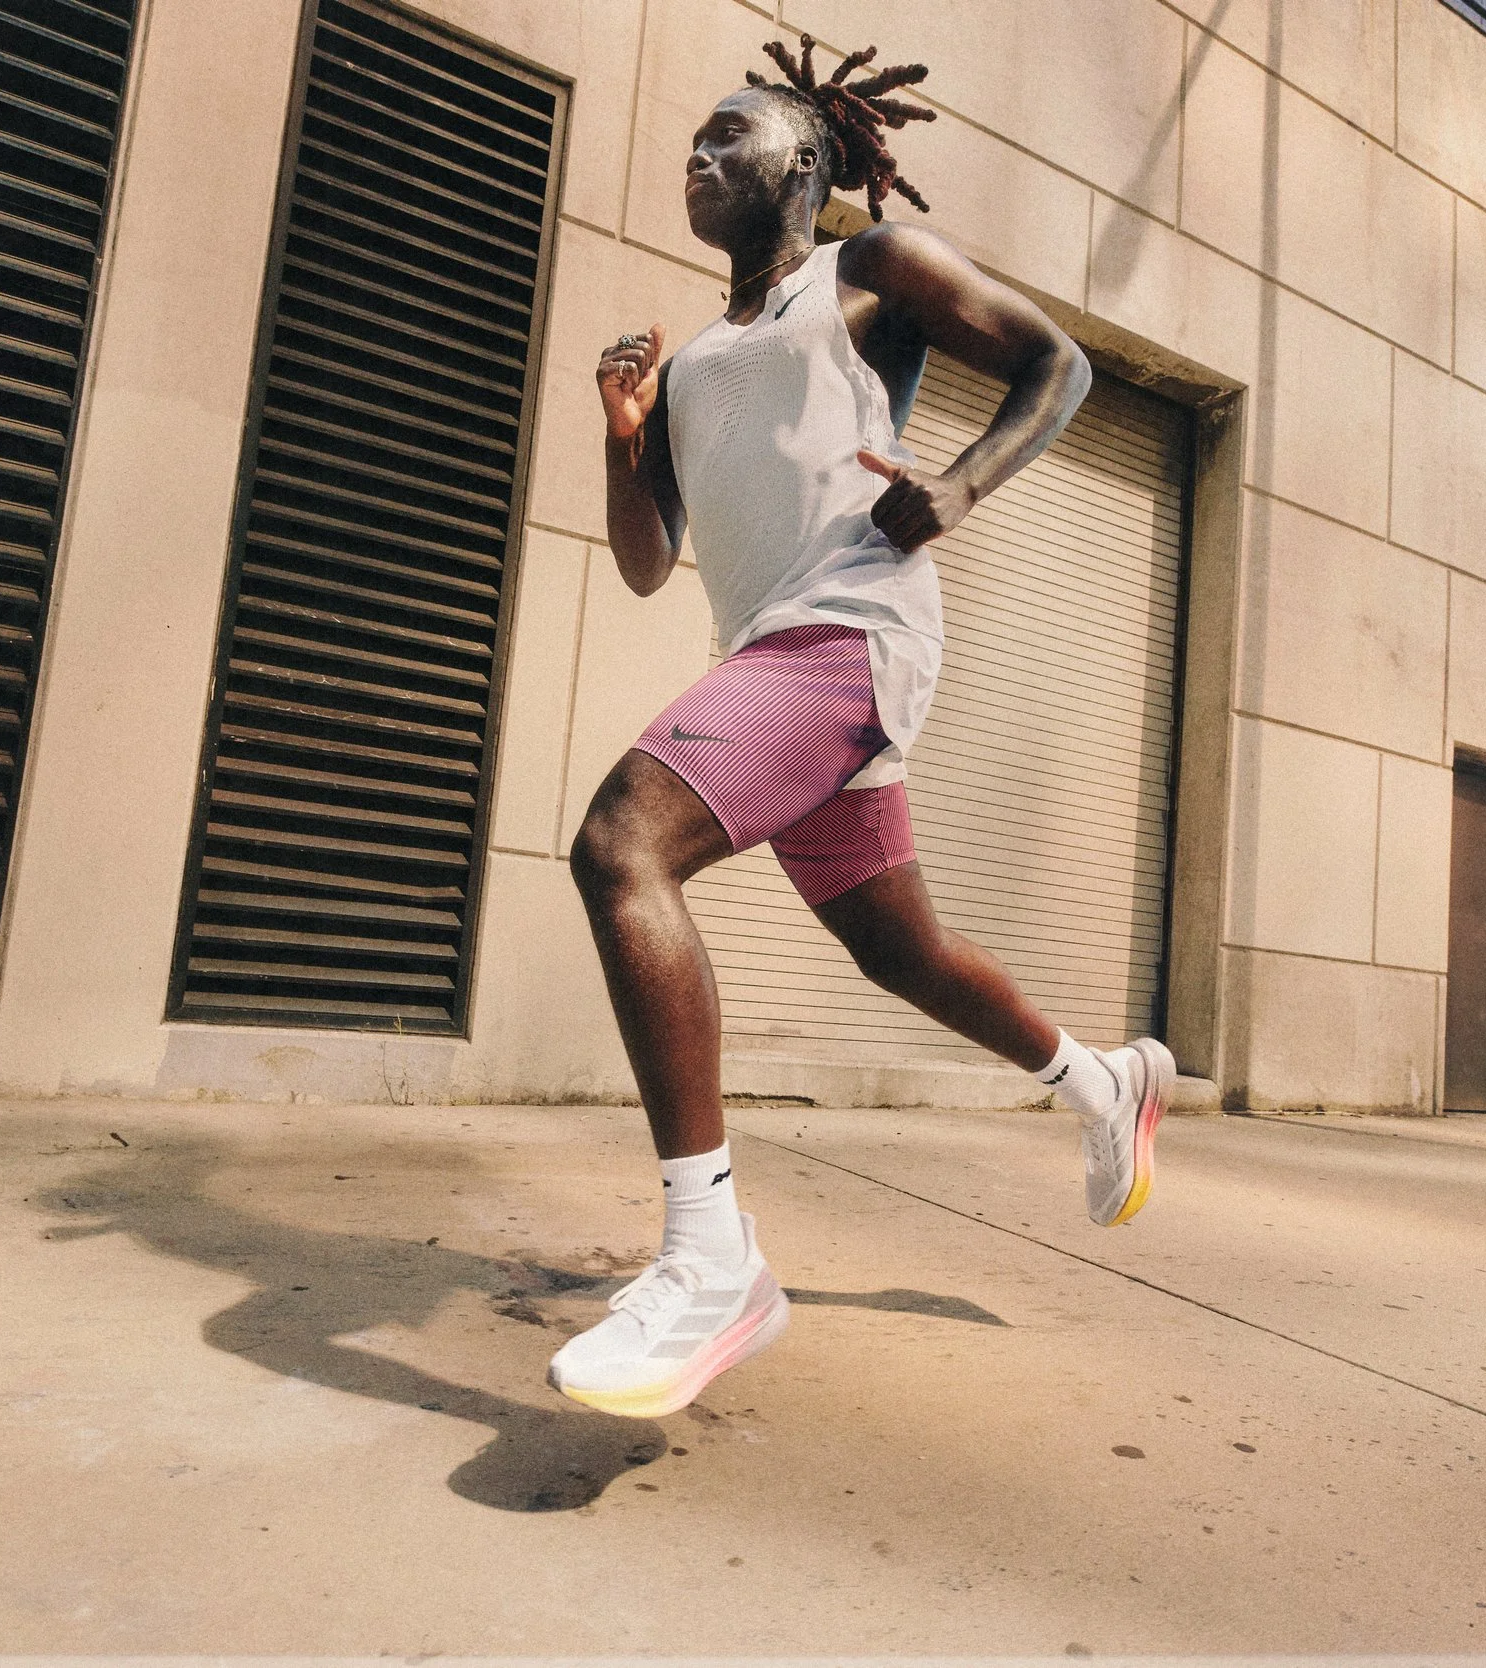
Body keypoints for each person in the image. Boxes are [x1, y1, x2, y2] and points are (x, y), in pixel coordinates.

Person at [546, 36, 1176, 1422]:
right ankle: (1104, 1084)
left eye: (730, 132)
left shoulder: (868, 272)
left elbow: (1058, 367)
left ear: (806, 160)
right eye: (694, 138)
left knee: (621, 846)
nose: (700, 153)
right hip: (774, 657)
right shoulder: (694, 364)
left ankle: (711, 1259)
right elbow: (648, 562)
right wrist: (623, 436)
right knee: (902, 954)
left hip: (851, 635)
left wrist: (960, 486)